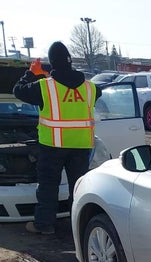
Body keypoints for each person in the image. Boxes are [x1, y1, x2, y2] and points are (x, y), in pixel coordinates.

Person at [13, 41, 100, 234]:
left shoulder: (44, 87)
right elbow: (75, 92)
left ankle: (44, 225)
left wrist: (32, 73)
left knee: (48, 186)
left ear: (52, 63)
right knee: (79, 188)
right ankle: (80, 226)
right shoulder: (90, 88)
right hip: (81, 145)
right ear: (70, 61)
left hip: (52, 145)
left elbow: (18, 91)